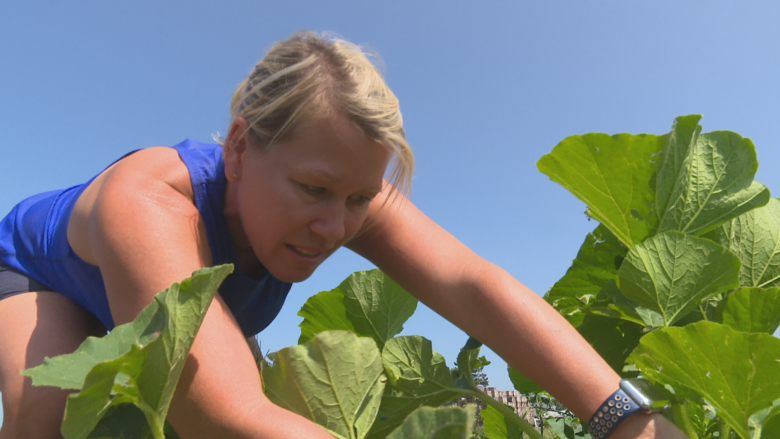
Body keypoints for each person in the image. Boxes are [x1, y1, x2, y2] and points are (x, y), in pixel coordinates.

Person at [0, 31, 687, 439]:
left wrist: (625, 420)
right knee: (50, 420)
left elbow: (474, 289)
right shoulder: (149, 202)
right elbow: (225, 414)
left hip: (181, 304)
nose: (335, 226)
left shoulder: (342, 188)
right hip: (42, 277)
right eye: (314, 190)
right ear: (239, 147)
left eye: (360, 198)